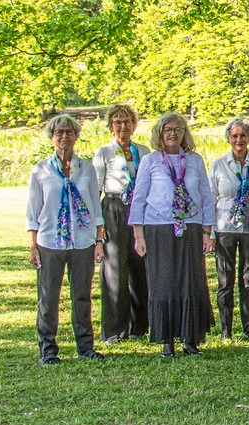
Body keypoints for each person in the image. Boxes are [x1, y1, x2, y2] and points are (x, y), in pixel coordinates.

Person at [129, 113, 216, 357]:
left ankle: (191, 339)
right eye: (168, 129)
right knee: (164, 283)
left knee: (191, 282)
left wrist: (208, 231)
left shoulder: (195, 160)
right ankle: (167, 340)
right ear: (159, 132)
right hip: (159, 227)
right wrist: (139, 235)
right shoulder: (150, 160)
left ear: (185, 133)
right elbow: (139, 197)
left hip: (191, 226)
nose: (173, 134)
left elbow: (205, 195)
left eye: (178, 129)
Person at [28, 114, 104, 364]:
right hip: (50, 241)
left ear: (76, 137)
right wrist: (33, 245)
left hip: (82, 241)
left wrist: (99, 240)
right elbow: (33, 211)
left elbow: (95, 206)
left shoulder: (86, 168)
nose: (64, 137)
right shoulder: (40, 170)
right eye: (59, 132)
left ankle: (85, 347)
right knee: (48, 297)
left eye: (69, 132)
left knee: (81, 295)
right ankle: (48, 350)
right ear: (52, 137)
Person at [92, 104, 150, 344]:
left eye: (127, 122)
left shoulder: (144, 151)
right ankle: (115, 329)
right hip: (114, 208)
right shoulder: (104, 152)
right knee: (115, 268)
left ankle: (141, 325)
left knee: (141, 267)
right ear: (110, 126)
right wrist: (98, 225)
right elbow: (95, 189)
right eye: (117, 122)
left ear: (134, 124)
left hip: (140, 209)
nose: (123, 126)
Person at [209, 118, 249, 341]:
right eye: (235, 136)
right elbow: (211, 200)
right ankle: (226, 330)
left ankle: (248, 327)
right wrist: (211, 233)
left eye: (243, 135)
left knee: (248, 280)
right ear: (228, 139)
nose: (239, 140)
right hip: (225, 227)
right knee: (225, 281)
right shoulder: (218, 165)